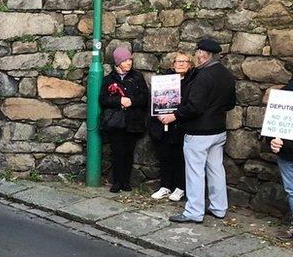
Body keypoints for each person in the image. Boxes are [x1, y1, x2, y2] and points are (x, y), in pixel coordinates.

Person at [160, 38, 237, 223]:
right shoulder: (226, 74)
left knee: (195, 172)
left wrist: (173, 116)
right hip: (218, 130)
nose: (196, 56)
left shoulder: (203, 76)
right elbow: (231, 103)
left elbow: (194, 106)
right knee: (216, 170)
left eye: (197, 53)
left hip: (199, 132)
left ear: (203, 55)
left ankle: (194, 212)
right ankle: (219, 208)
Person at [99, 46, 149, 193]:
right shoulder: (109, 79)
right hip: (116, 122)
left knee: (128, 152)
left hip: (133, 121)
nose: (129, 63)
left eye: (130, 60)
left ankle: (126, 181)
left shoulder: (137, 77)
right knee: (117, 152)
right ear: (118, 62)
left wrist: (131, 101)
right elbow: (103, 99)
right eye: (125, 60)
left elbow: (144, 97)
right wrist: (119, 100)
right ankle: (117, 181)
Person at [148, 52, 192, 202]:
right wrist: (159, 114)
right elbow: (154, 100)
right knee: (164, 156)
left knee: (180, 158)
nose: (181, 64)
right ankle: (165, 186)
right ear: (172, 64)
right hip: (162, 125)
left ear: (189, 65)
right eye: (178, 61)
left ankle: (180, 188)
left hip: (181, 125)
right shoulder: (163, 80)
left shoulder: (192, 82)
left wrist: (175, 115)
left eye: (185, 61)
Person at [268, 77, 293, 241]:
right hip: (287, 152)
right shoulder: (286, 92)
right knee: (291, 190)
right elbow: (275, 121)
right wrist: (273, 139)